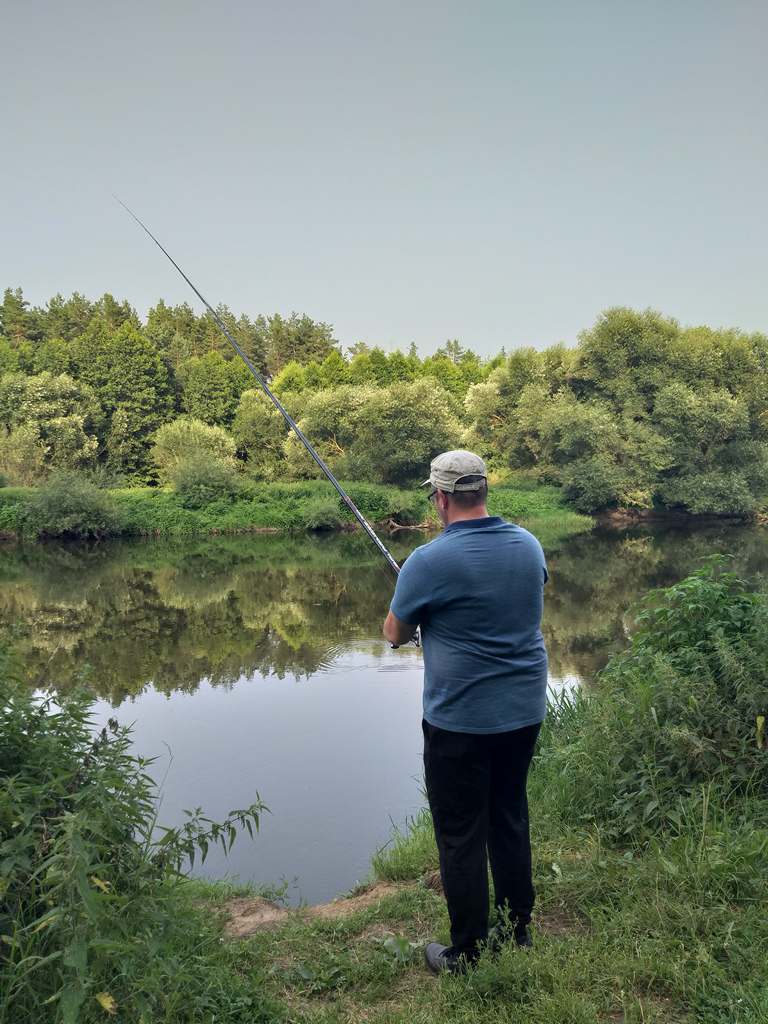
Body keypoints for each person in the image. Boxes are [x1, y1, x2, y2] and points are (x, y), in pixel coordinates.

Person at [382, 450, 548, 974]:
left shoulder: (427, 561)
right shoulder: (528, 544)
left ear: (441, 498)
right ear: (483, 492)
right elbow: (522, 598)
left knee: (460, 832)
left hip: (460, 721)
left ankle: (469, 953)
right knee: (509, 815)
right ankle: (517, 930)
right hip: (523, 710)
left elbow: (394, 634)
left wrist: (422, 610)